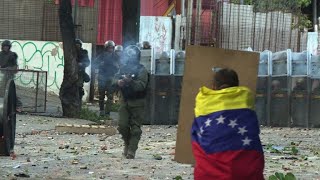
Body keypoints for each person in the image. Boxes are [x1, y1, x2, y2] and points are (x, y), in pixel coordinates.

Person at [191, 68, 264, 179]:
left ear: (213, 87)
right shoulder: (246, 97)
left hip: (209, 173)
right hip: (246, 172)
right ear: (237, 85)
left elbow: (196, 133)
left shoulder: (203, 101)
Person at [112, 45, 149, 159]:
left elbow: (141, 86)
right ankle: (127, 144)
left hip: (138, 102)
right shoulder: (123, 69)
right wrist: (119, 82)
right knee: (122, 125)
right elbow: (113, 80)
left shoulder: (142, 70)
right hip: (125, 101)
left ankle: (132, 150)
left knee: (135, 128)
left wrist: (131, 82)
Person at [96, 40, 119, 117]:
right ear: (106, 48)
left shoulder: (115, 57)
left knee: (110, 96)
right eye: (109, 48)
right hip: (102, 77)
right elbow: (95, 63)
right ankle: (101, 110)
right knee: (101, 95)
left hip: (111, 77)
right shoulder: (101, 56)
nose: (110, 49)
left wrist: (116, 66)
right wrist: (100, 64)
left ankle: (107, 112)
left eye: (111, 48)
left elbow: (120, 66)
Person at [0, 40, 23, 112]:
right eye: (4, 46)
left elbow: (15, 66)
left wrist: (9, 69)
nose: (5, 48)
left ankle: (18, 104)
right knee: (3, 90)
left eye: (7, 46)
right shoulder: (0, 54)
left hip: (9, 74)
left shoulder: (12, 55)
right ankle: (6, 105)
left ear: (9, 47)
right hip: (2, 73)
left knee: (7, 90)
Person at [75, 39, 90, 108]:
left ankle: (78, 105)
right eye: (76, 45)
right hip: (72, 73)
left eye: (78, 45)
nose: (77, 46)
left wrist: (81, 64)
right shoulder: (72, 52)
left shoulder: (83, 52)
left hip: (80, 72)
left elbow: (87, 62)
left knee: (79, 88)